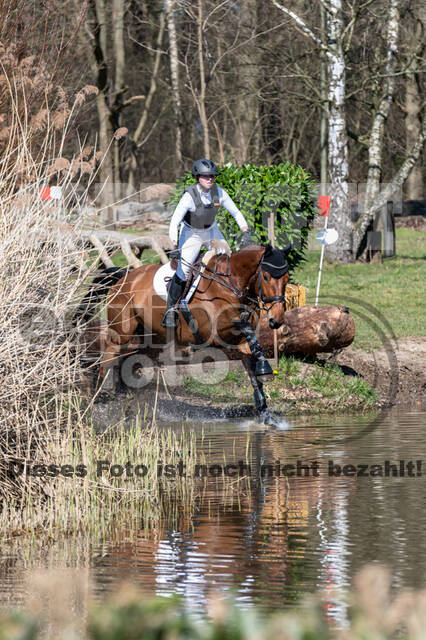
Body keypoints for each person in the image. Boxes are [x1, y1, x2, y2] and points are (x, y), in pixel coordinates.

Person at [161, 158, 253, 329]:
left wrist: (245, 231)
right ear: (197, 177)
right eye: (205, 176)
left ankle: (234, 300)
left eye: (212, 176)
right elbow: (174, 222)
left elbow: (236, 213)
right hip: (191, 233)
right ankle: (171, 309)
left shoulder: (220, 193)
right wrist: (174, 245)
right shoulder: (189, 196)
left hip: (211, 231)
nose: (210, 179)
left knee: (227, 259)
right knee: (184, 269)